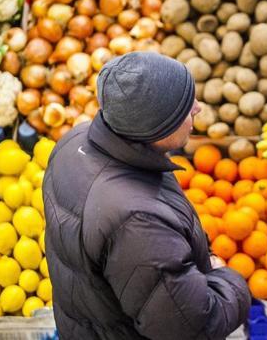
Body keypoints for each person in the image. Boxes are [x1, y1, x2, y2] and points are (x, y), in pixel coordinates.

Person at [43, 52, 251, 339]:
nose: (198, 108)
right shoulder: (137, 222)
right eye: (184, 107)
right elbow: (189, 327)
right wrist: (227, 278)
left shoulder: (73, 140)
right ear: (158, 128)